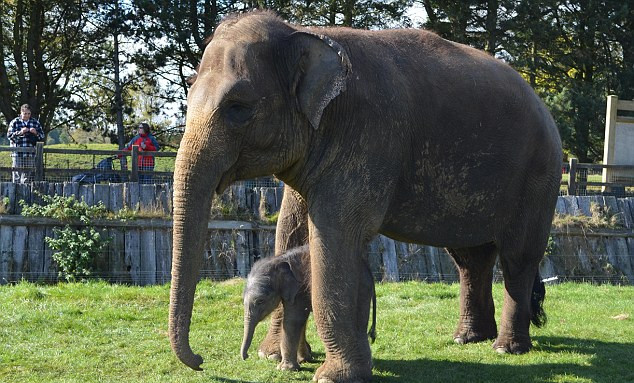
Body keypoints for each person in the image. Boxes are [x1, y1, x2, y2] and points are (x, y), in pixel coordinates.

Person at [6, 104, 45, 183]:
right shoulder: (15, 122)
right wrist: (20, 132)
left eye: (29, 114)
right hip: (17, 153)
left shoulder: (35, 122)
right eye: (25, 114)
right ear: (21, 113)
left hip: (30, 153)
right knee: (16, 173)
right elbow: (9, 136)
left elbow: (42, 136)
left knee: (28, 174)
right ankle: (15, 192)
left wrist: (36, 133)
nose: (27, 115)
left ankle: (25, 192)